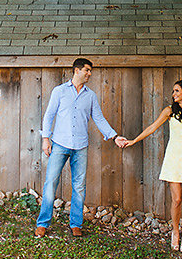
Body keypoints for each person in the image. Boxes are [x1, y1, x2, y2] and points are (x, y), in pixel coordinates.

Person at [35, 58, 128, 238]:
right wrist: (46, 139)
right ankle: (43, 223)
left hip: (80, 147)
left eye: (90, 71)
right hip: (60, 144)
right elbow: (49, 116)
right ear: (76, 70)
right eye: (87, 70)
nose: (89, 74)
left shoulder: (90, 95)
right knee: (50, 183)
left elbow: (99, 119)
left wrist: (115, 136)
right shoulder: (59, 91)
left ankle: (76, 224)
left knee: (79, 186)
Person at [124, 79, 182, 253]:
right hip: (174, 157)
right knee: (176, 199)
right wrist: (134, 140)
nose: (174, 94)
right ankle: (175, 231)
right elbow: (153, 127)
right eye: (173, 91)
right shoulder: (169, 111)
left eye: (177, 91)